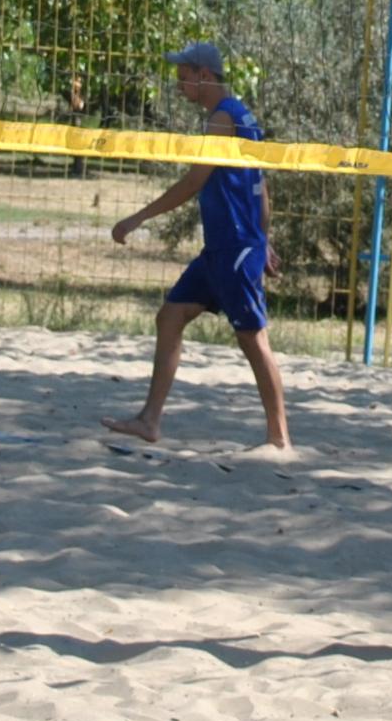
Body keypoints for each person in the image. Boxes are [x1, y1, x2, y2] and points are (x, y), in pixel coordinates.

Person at [105, 40, 291, 450]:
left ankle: (279, 438)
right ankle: (149, 420)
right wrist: (266, 237)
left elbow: (194, 182)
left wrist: (138, 218)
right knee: (169, 317)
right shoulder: (242, 115)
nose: (177, 82)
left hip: (235, 249)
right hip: (224, 248)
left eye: (183, 74)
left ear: (204, 75)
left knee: (253, 339)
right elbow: (262, 188)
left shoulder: (223, 120)